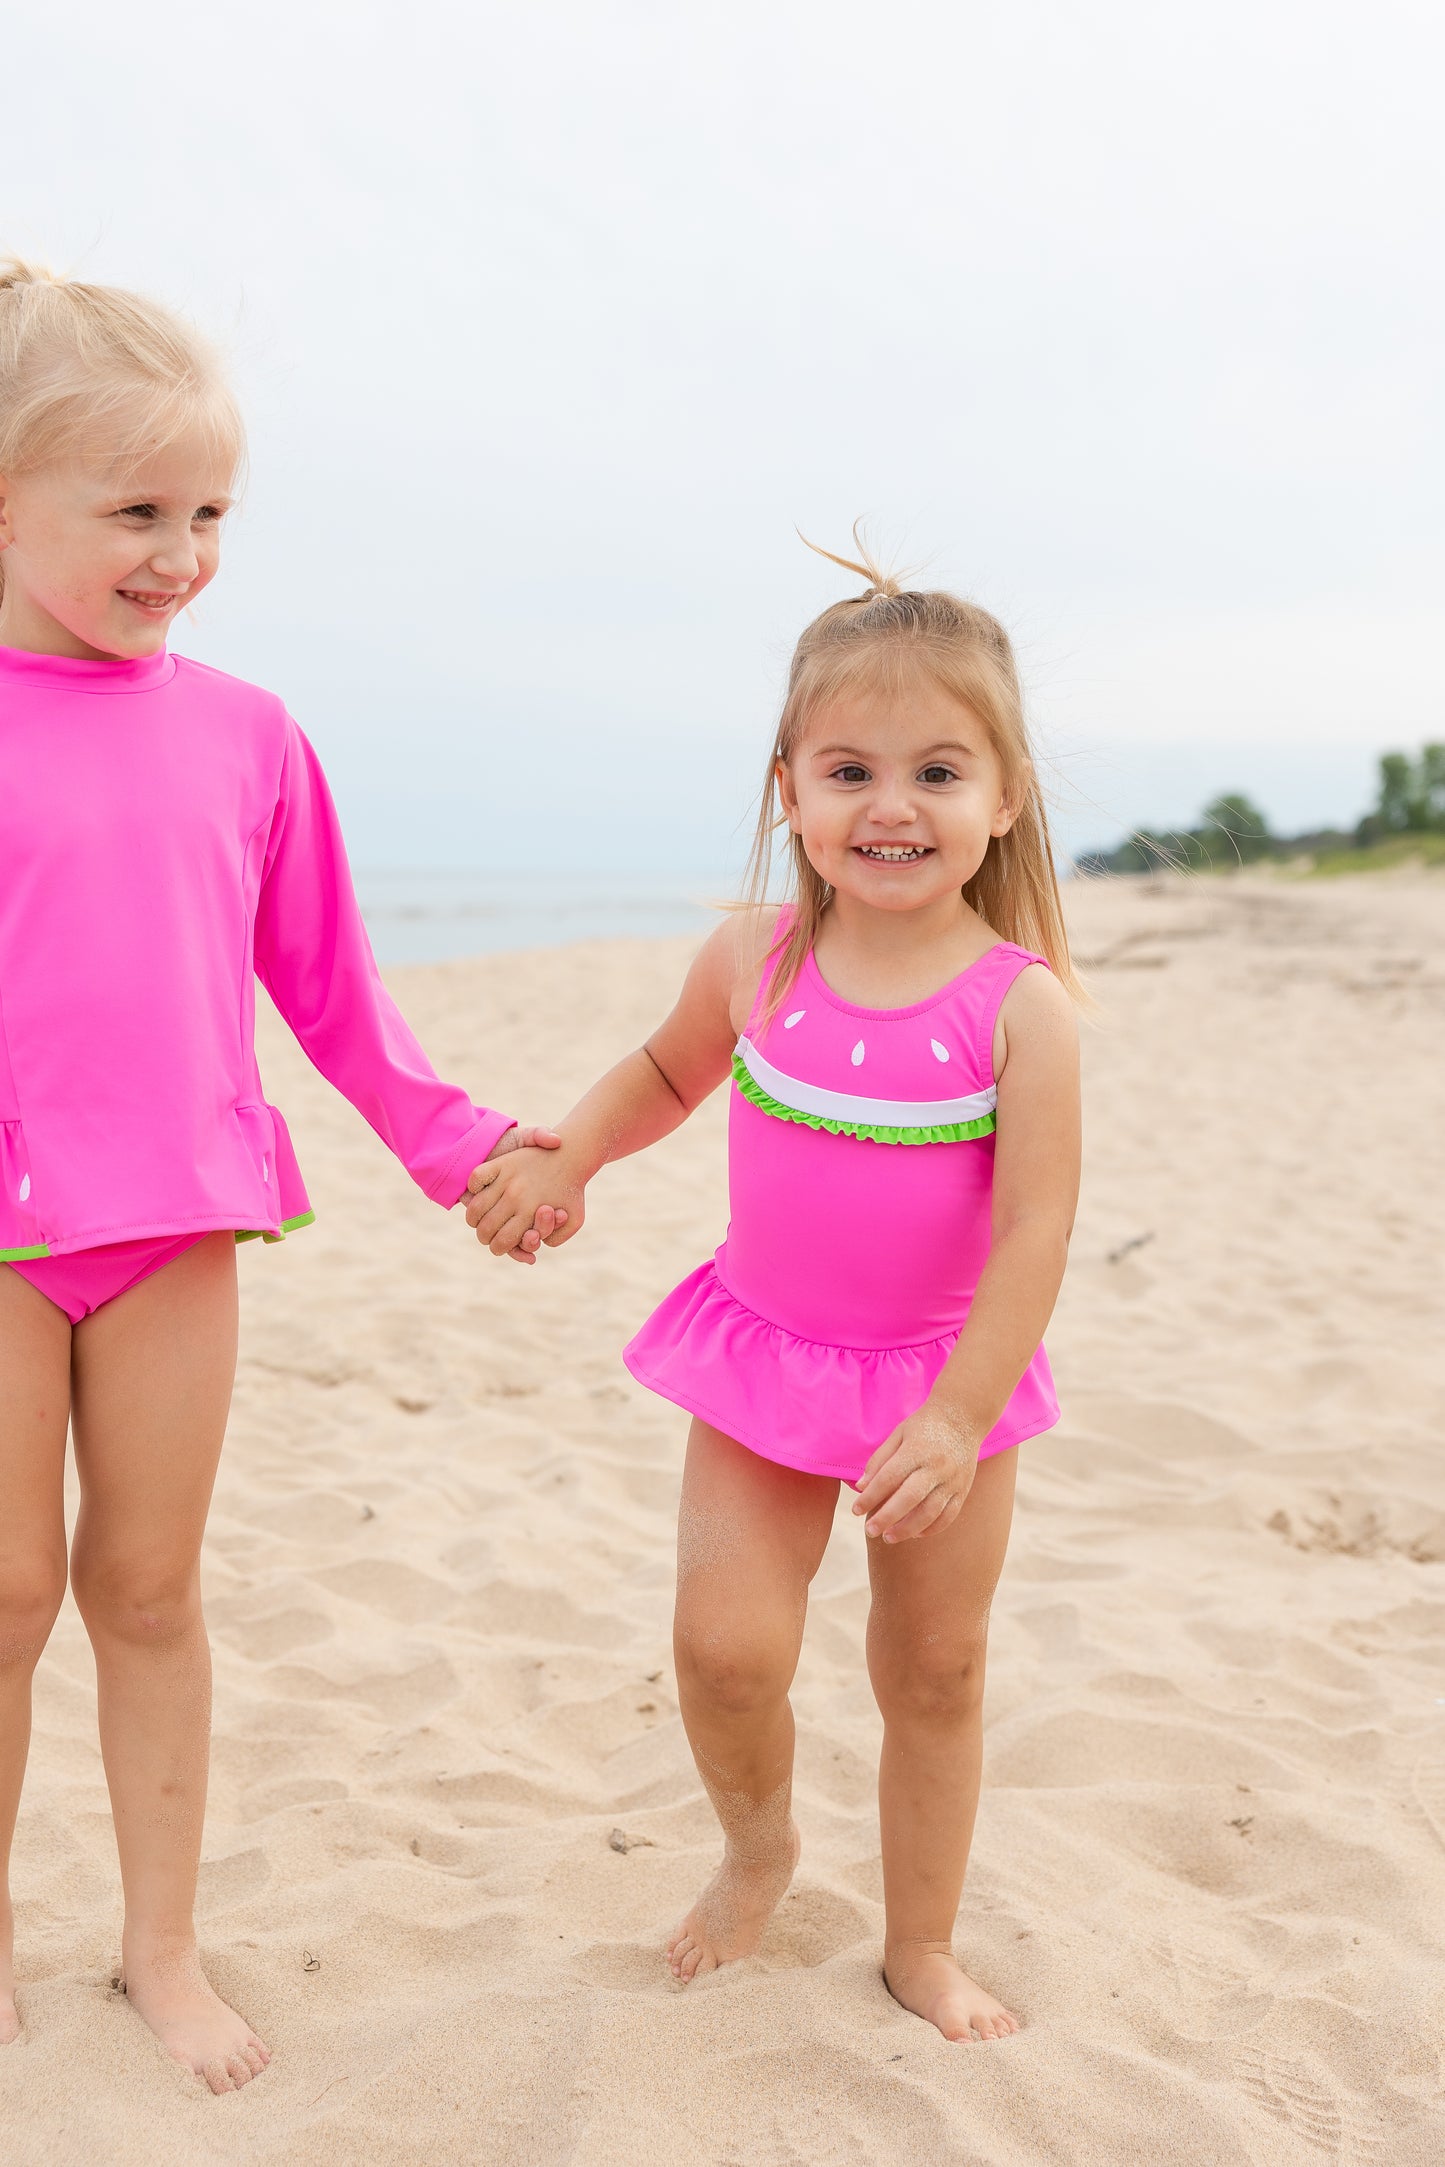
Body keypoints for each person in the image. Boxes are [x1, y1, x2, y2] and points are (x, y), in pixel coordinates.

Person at [0, 260, 556, 2091]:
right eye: (135, 511)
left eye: (210, 511)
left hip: (172, 1220)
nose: (180, 551)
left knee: (146, 1593)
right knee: (4, 1596)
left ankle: (160, 1950)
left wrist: (460, 1144)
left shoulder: (248, 734)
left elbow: (329, 990)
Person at [466, 537, 1083, 2042]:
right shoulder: (757, 959)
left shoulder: (1021, 1011)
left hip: (942, 1390)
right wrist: (573, 1158)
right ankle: (758, 1853)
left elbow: (1032, 1238)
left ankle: (919, 1946)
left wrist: (956, 1417)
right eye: (848, 770)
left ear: (1001, 800)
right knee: (726, 1649)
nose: (891, 806)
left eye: (938, 773)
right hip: (762, 1361)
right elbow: (669, 1070)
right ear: (789, 793)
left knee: (929, 1672)